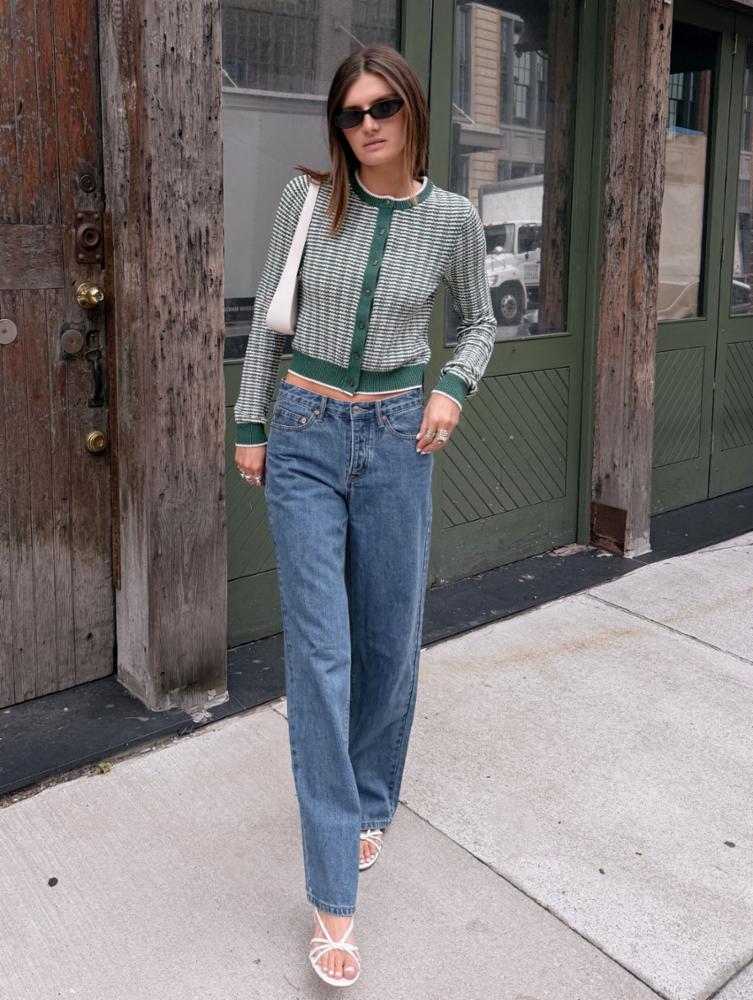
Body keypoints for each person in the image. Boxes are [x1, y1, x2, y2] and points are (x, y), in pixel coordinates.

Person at [233, 43, 496, 987]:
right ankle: (333, 893)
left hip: (394, 438)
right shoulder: (307, 202)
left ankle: (372, 799)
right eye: (350, 114)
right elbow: (271, 314)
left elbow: (476, 322)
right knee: (320, 652)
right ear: (336, 128)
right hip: (302, 431)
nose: (367, 125)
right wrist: (251, 422)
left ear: (411, 111)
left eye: (382, 107)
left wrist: (452, 389)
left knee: (388, 639)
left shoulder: (454, 220)